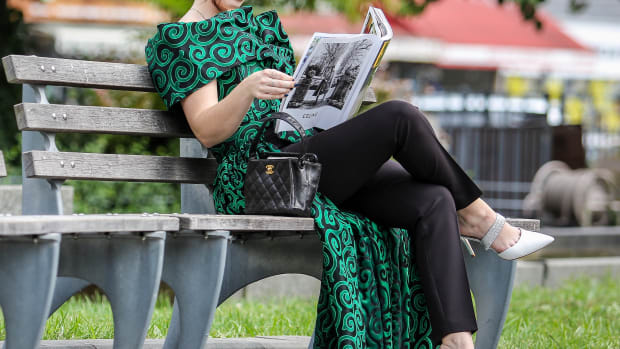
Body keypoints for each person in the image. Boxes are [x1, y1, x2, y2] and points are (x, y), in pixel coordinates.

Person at [145, 1, 554, 348]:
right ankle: (483, 219)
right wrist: (246, 89)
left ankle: (456, 337)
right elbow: (206, 129)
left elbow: (293, 105)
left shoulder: (260, 25)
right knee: (401, 116)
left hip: (304, 156)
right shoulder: (180, 40)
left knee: (434, 200)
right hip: (259, 177)